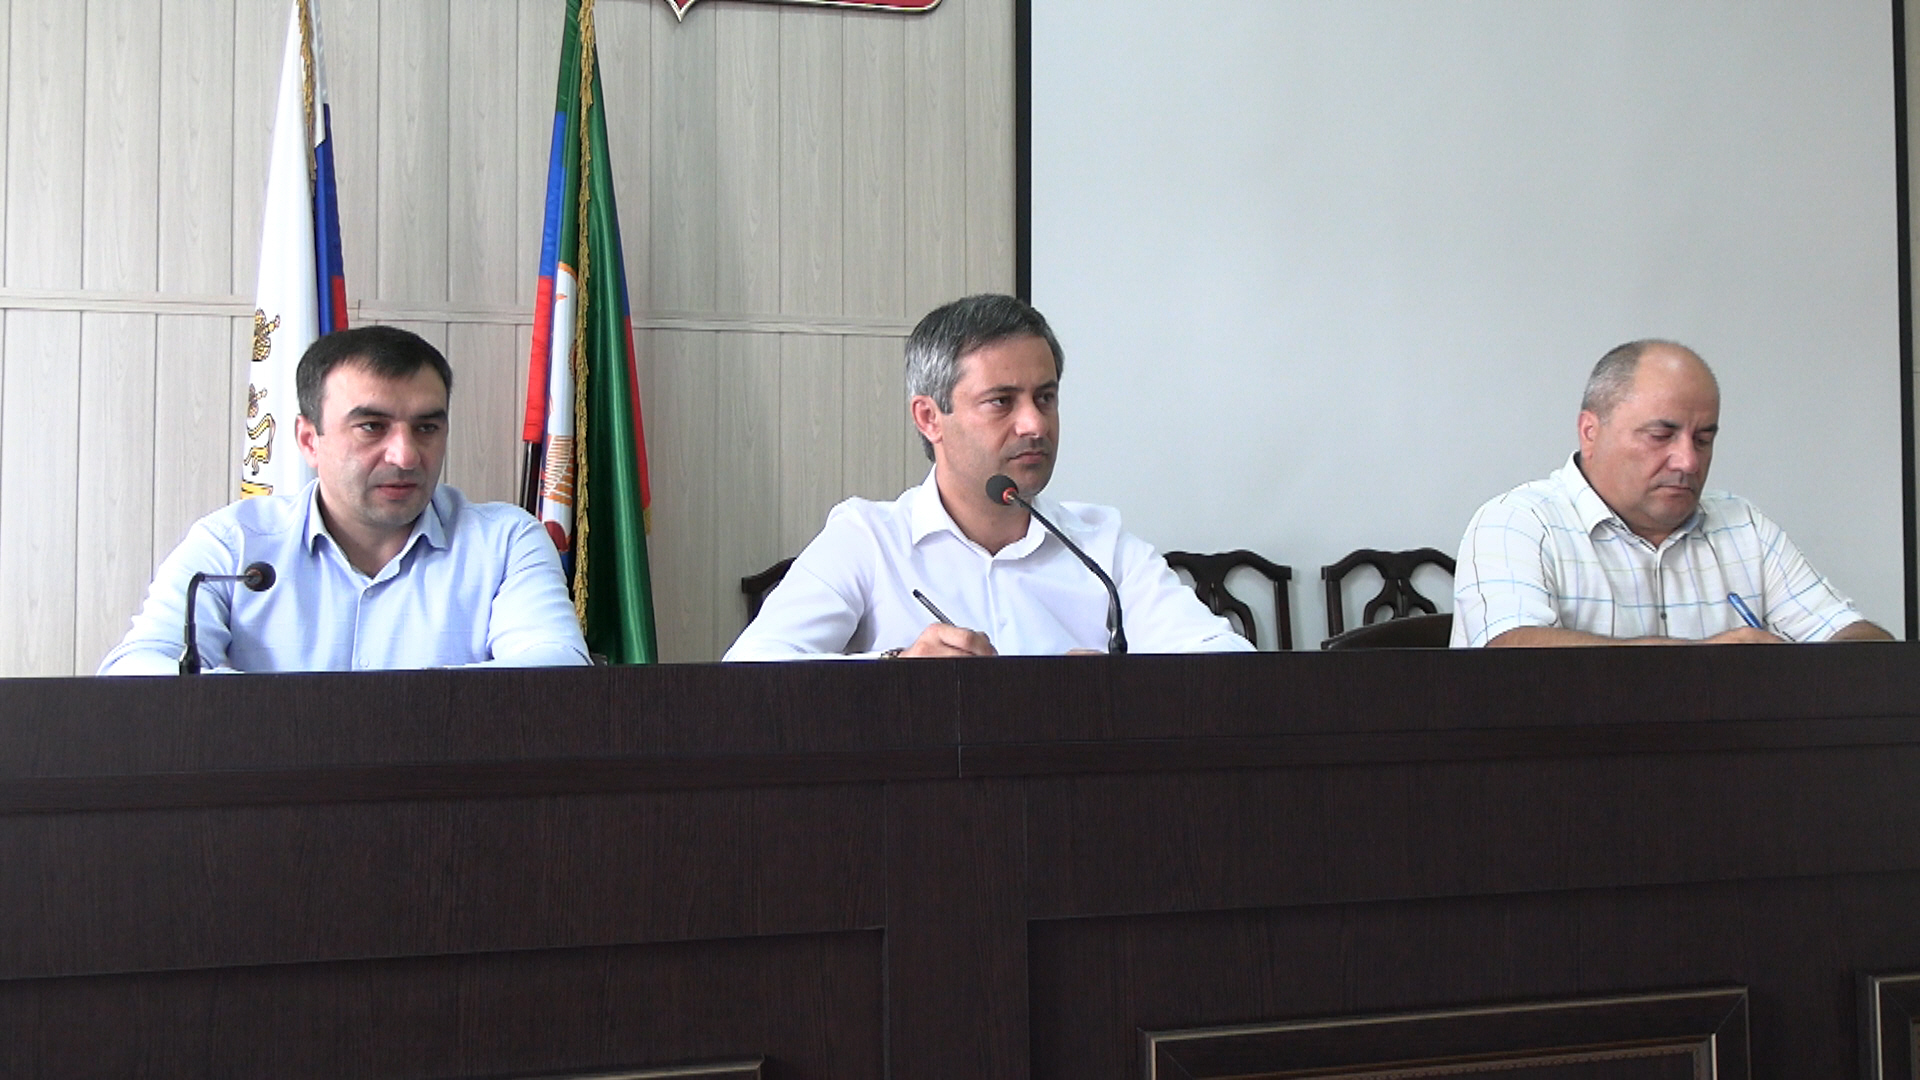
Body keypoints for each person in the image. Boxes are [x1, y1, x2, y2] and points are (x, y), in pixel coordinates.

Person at [724, 294, 1252, 659]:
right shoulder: (868, 539)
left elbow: (1228, 660)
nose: (1035, 424)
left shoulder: (1101, 547)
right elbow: (752, 668)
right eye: (1002, 401)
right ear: (929, 418)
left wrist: (1122, 686)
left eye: (1045, 397)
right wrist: (895, 667)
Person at [99, 326, 590, 674]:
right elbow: (137, 668)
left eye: (426, 428)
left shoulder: (505, 542)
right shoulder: (234, 544)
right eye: (372, 427)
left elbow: (556, 671)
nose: (405, 456)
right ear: (309, 440)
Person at [1451, 339, 1892, 647]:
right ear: (1590, 432)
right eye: (1661, 436)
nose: (1689, 461)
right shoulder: (1517, 522)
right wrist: (1705, 660)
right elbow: (1513, 652)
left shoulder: (1743, 526)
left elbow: (1862, 640)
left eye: (1703, 439)